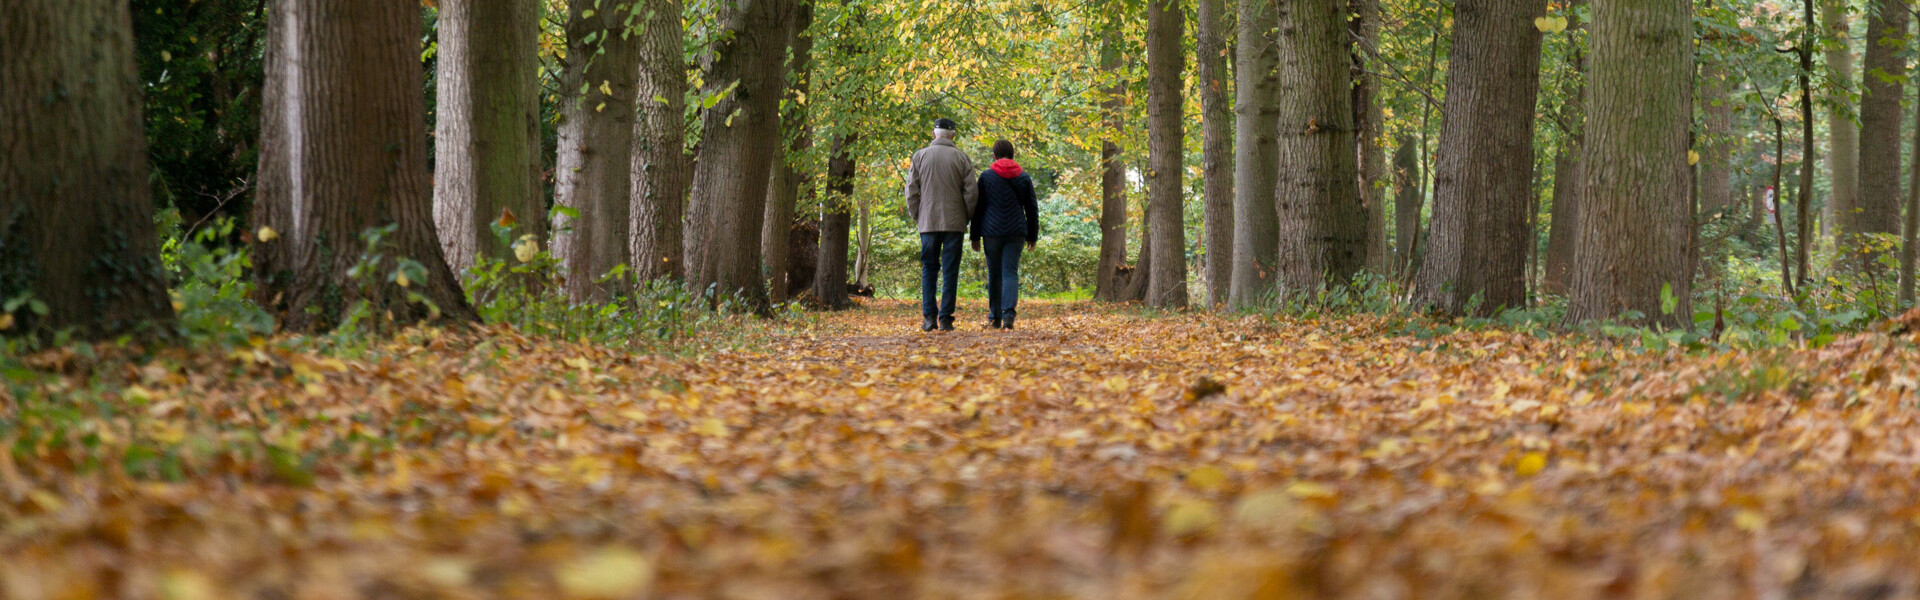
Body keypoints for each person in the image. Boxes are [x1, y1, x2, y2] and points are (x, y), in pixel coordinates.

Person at [905, 118, 977, 332]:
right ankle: (946, 318)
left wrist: (918, 216)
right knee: (950, 269)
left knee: (929, 268)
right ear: (953, 134)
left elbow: (911, 191)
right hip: (954, 223)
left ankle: (929, 317)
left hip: (928, 222)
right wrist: (965, 217)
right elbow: (972, 193)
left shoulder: (920, 156)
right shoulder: (962, 158)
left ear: (933, 133)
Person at [970, 139, 1039, 330]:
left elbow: (978, 208)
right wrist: (1032, 235)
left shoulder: (986, 177)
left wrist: (974, 236)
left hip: (991, 232)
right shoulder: (1023, 177)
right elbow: (1032, 208)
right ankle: (1009, 316)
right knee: (1010, 272)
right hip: (1016, 231)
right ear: (1013, 154)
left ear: (994, 155)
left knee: (994, 274)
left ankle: (994, 317)